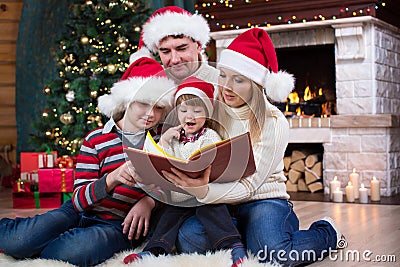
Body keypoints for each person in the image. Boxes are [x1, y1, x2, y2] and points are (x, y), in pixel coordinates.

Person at [162, 28, 348, 266]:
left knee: (274, 256)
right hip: (223, 204)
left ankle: (326, 232)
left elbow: (250, 185)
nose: (226, 86)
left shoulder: (273, 121)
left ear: (255, 84)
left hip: (263, 200)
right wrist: (172, 141)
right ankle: (248, 240)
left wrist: (203, 191)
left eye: (238, 80)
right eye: (223, 76)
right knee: (189, 238)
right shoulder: (215, 110)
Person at [0, 57, 175, 266]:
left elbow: (172, 188)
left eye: (158, 108)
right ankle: (28, 237)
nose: (151, 114)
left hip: (118, 223)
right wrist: (112, 179)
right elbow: (78, 200)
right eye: (144, 104)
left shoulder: (160, 140)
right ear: (127, 101)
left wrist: (150, 201)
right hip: (77, 210)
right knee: (17, 241)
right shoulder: (96, 139)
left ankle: (44, 246)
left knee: (72, 252)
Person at [123, 76, 247, 267]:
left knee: (214, 210)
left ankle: (234, 247)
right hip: (180, 197)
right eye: (183, 110)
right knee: (169, 216)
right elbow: (161, 162)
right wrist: (163, 142)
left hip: (205, 195)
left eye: (197, 111)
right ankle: (154, 250)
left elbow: (215, 161)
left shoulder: (210, 136)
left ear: (207, 114)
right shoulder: (173, 137)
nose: (189, 116)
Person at [130, 6, 220, 86]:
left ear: (198, 46)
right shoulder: (152, 82)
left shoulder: (221, 84)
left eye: (182, 49)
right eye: (165, 51)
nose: (174, 60)